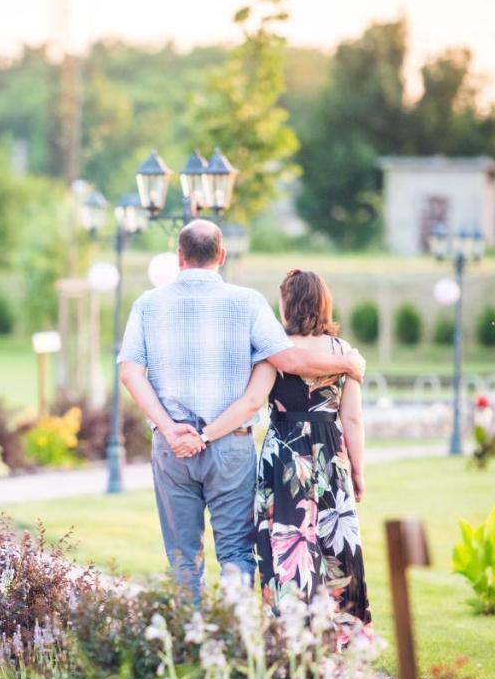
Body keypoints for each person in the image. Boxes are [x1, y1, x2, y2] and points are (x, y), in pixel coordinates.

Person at [117, 221, 364, 601]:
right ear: (222, 255)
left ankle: (189, 648)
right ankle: (233, 641)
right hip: (230, 446)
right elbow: (287, 359)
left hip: (172, 448)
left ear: (179, 257)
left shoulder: (147, 304)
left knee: (183, 559)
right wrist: (347, 365)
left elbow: (130, 372)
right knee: (235, 553)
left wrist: (170, 429)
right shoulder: (247, 302)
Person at [191, 268, 370, 622]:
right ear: (323, 303)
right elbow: (352, 419)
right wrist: (358, 471)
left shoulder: (275, 351)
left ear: (288, 305)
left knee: (288, 541)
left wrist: (205, 434)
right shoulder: (344, 353)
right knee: (334, 543)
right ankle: (343, 631)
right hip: (328, 455)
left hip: (285, 456)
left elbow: (250, 402)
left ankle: (291, 630)